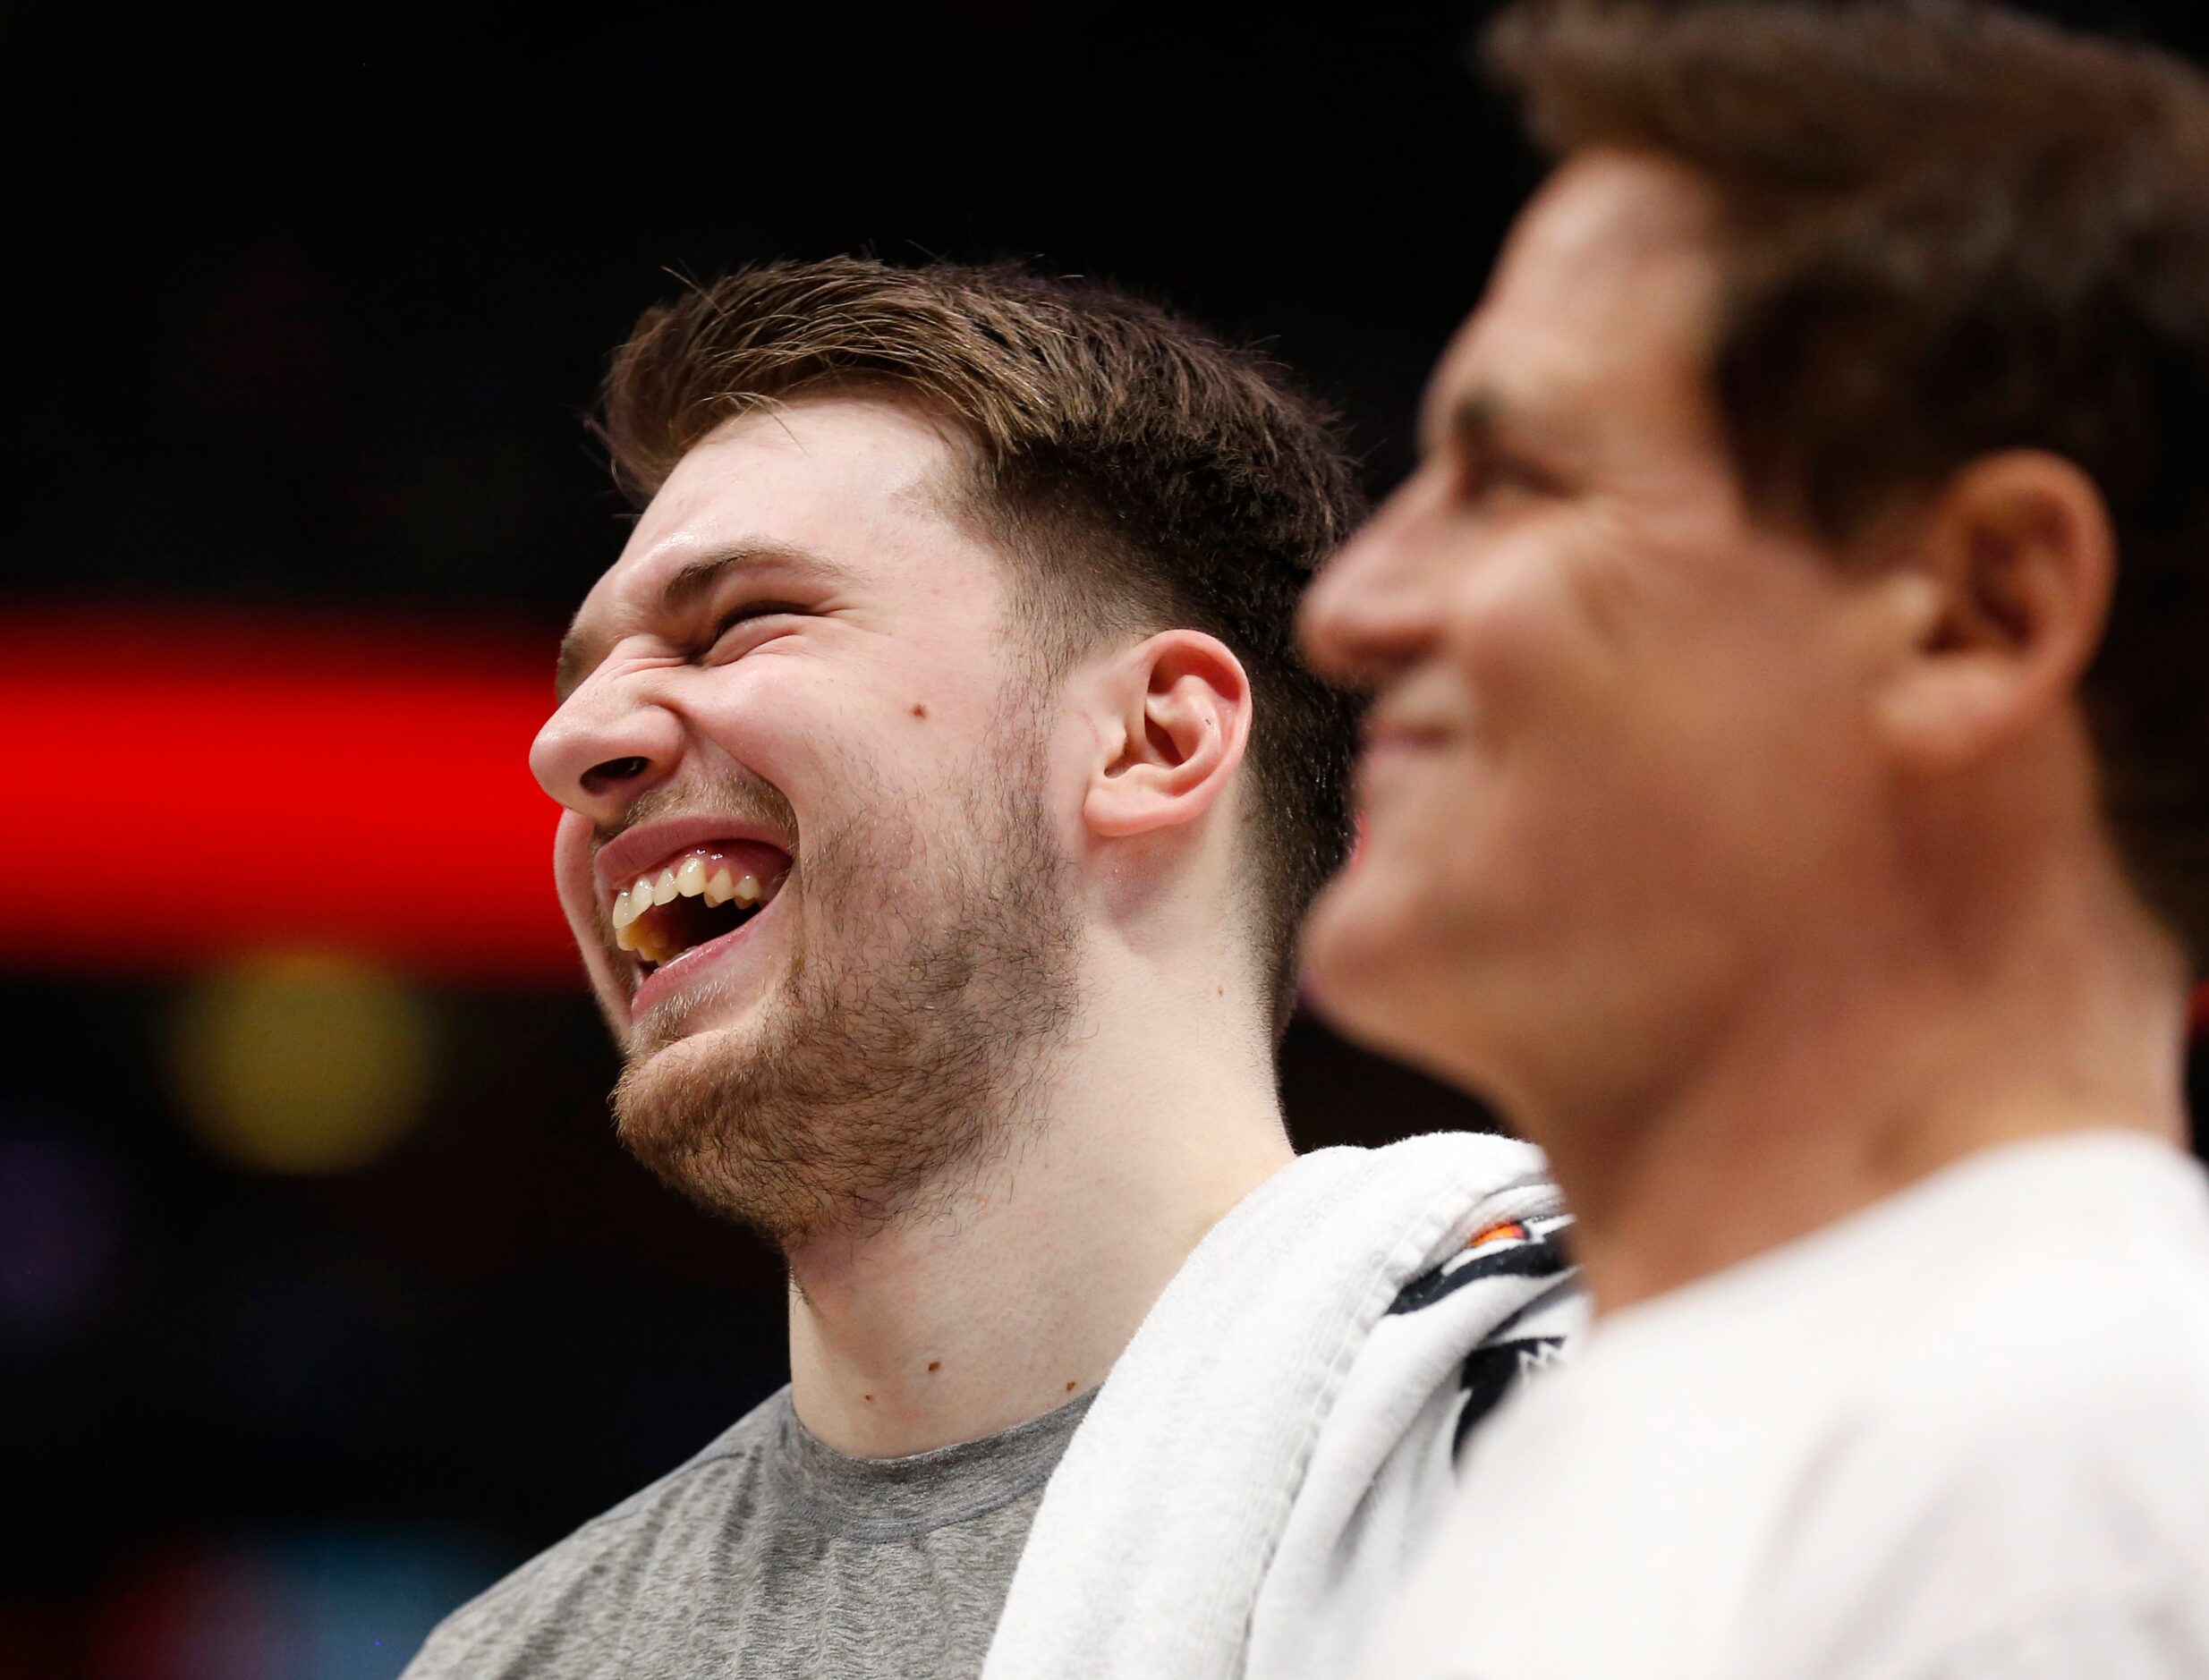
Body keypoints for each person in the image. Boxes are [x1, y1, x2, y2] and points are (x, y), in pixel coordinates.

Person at [404, 259, 1571, 1680]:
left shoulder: (1631, 1477)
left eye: (745, 619)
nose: (571, 743)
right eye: (579, 676)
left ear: (1151, 741)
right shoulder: (517, 1659)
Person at [1297, 1, 2209, 1676]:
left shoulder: (2068, 1454)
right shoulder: (1631, 1444)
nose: (1351, 606)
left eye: (1511, 480)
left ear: (1972, 615)